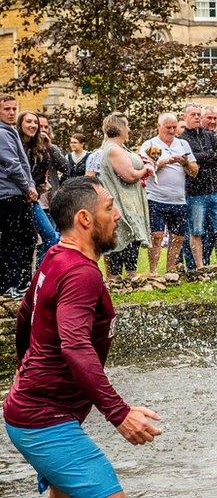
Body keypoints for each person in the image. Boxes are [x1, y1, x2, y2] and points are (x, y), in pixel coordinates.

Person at [4, 176, 162, 498]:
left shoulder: (55, 256)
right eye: (109, 207)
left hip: (36, 411)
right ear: (85, 219)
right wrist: (119, 413)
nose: (116, 214)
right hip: (45, 421)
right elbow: (75, 346)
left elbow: (24, 314)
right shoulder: (81, 273)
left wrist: (26, 371)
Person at [140, 112, 199, 274]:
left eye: (174, 127)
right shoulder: (151, 144)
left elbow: (194, 171)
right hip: (156, 197)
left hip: (179, 199)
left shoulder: (182, 144)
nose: (172, 131)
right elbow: (145, 171)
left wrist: (185, 162)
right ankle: (153, 272)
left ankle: (170, 271)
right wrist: (165, 161)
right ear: (159, 127)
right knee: (157, 236)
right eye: (168, 127)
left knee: (178, 237)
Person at [182, 103, 217, 268]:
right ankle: (199, 266)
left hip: (216, 191)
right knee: (196, 231)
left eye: (199, 114)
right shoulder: (183, 139)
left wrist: (201, 157)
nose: (197, 117)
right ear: (185, 117)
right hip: (195, 192)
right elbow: (191, 159)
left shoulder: (209, 135)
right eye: (193, 114)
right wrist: (207, 155)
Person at [99, 112, 153, 278]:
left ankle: (130, 276)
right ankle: (120, 279)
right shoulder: (114, 149)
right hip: (121, 200)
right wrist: (146, 169)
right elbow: (129, 176)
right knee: (123, 236)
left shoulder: (119, 147)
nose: (129, 129)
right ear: (120, 127)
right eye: (127, 125)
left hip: (128, 200)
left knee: (131, 238)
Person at [0, 94, 37, 298]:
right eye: (7, 109)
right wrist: (28, 187)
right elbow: (12, 164)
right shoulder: (2, 133)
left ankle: (22, 282)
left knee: (28, 238)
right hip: (8, 194)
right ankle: (10, 285)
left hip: (17, 193)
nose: (12, 112)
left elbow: (22, 164)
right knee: (13, 240)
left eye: (14, 108)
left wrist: (29, 184)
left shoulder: (10, 131)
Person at [17, 112, 60, 270]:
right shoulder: (15, 146)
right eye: (29, 121)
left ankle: (41, 274)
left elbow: (62, 168)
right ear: (20, 124)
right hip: (16, 199)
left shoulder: (40, 149)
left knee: (50, 236)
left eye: (36, 123)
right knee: (21, 241)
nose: (33, 126)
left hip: (32, 201)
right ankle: (17, 282)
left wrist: (48, 146)